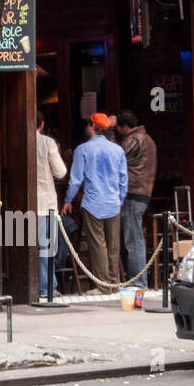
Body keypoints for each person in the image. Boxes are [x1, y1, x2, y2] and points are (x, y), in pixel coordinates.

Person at [62, 112, 128, 294]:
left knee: (98, 244)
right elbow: (124, 180)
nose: (86, 127)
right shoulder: (118, 150)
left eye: (88, 124)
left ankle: (103, 285)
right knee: (113, 244)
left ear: (93, 126)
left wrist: (68, 200)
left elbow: (76, 180)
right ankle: (113, 283)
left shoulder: (82, 150)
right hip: (113, 203)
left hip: (93, 202)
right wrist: (119, 199)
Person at [117, 108, 158, 289]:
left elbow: (116, 156)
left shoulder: (134, 139)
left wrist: (108, 132)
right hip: (144, 193)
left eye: (118, 128)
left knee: (133, 239)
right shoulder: (148, 139)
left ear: (125, 126)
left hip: (133, 193)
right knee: (134, 237)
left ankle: (138, 282)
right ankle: (136, 279)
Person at [34, 111, 67, 300]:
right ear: (42, 124)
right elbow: (61, 172)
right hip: (44, 203)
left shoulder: (17, 140)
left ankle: (36, 286)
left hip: (21, 206)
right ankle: (47, 287)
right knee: (45, 248)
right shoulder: (47, 143)